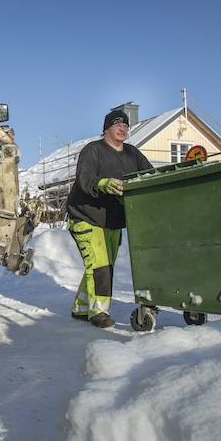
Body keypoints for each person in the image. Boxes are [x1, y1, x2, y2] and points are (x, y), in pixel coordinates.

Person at [66, 109, 152, 328]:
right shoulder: (93, 150)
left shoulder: (133, 154)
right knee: (100, 266)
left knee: (102, 266)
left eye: (125, 125)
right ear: (106, 129)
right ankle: (98, 312)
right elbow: (84, 179)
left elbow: (149, 175)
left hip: (113, 221)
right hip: (86, 217)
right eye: (118, 125)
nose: (123, 129)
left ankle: (81, 307)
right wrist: (103, 184)